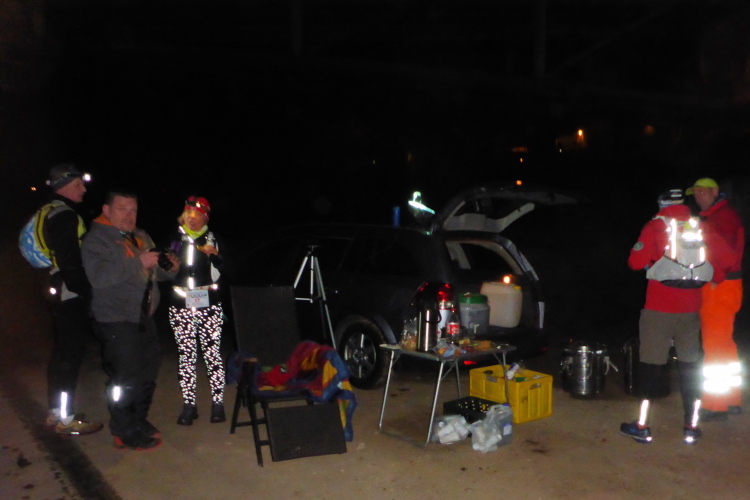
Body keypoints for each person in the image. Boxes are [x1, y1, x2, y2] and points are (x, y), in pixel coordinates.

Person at [81, 190, 179, 450]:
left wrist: (170, 268)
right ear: (106, 210)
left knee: (147, 372)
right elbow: (99, 278)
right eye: (122, 209)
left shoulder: (141, 236)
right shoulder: (96, 240)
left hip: (144, 317)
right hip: (115, 318)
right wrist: (139, 262)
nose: (129, 215)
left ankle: (138, 420)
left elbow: (155, 272)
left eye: (133, 210)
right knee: (124, 378)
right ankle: (123, 430)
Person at [620, 188, 704, 444]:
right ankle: (691, 427)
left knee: (651, 365)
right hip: (691, 308)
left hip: (659, 308)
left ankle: (642, 426)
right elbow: (718, 261)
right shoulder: (699, 226)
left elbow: (635, 262)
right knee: (690, 367)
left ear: (662, 203)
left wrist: (651, 261)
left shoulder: (656, 226)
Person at [39, 164, 103, 435]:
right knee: (70, 358)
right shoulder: (65, 215)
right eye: (78, 184)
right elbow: (70, 262)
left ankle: (56, 412)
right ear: (63, 185)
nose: (83, 189)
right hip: (70, 293)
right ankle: (66, 419)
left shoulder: (49, 211)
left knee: (62, 355)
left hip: (58, 289)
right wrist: (88, 292)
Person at [687, 177, 745, 421]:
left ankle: (715, 405)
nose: (698, 196)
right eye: (695, 193)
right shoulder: (719, 216)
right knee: (725, 345)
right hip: (729, 286)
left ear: (715, 192)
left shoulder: (721, 217)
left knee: (714, 346)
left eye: (702, 192)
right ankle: (732, 399)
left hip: (720, 287)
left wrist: (715, 276)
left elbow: (727, 255)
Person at [167, 196, 227, 425]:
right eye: (189, 214)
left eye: (198, 215)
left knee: (212, 355)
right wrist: (167, 264)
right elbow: (164, 268)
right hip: (180, 306)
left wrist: (216, 257)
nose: (192, 219)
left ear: (206, 217)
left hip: (209, 304)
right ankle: (189, 405)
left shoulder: (214, 239)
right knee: (186, 357)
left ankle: (218, 404)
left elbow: (228, 268)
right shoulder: (175, 239)